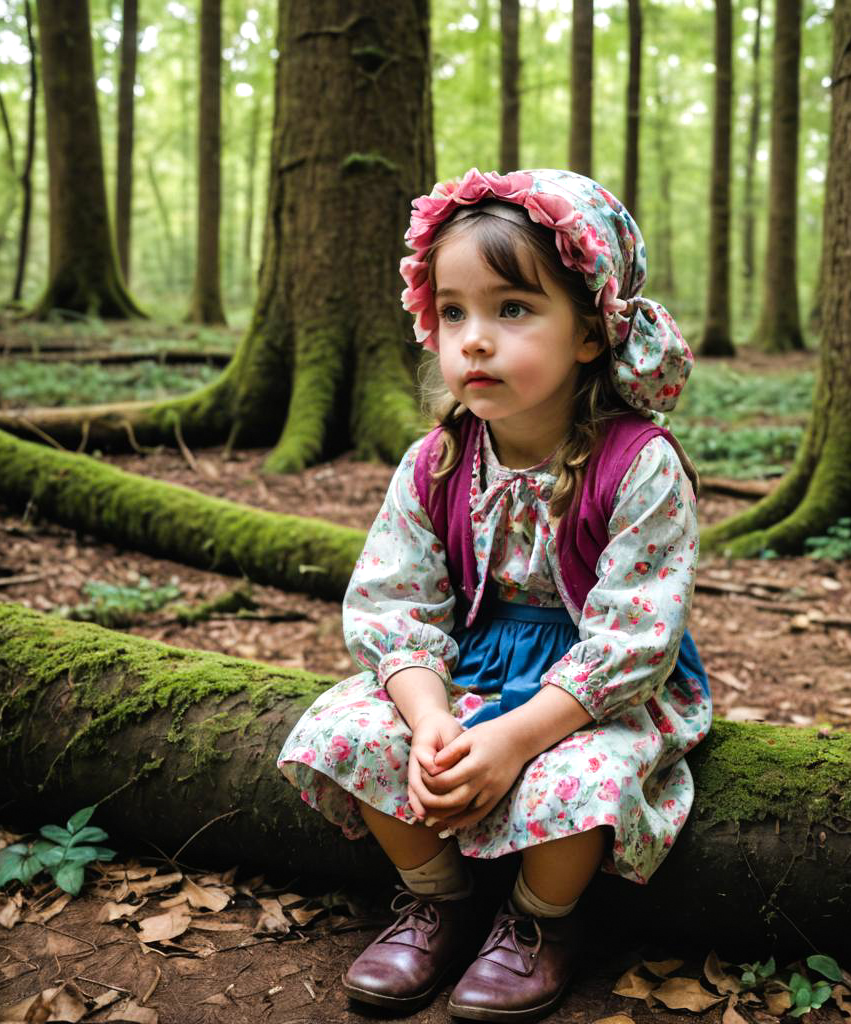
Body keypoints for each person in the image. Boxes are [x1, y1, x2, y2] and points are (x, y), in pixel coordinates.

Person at [277, 168, 711, 1023]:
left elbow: (636, 639)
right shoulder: (435, 463)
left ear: (590, 330)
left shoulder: (640, 466)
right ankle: (439, 896)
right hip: (469, 667)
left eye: (512, 309)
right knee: (344, 725)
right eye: (452, 312)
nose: (473, 340)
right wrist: (431, 716)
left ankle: (540, 920)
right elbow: (393, 603)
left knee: (586, 780)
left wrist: (515, 738)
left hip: (594, 693)